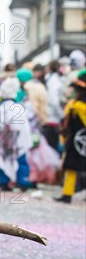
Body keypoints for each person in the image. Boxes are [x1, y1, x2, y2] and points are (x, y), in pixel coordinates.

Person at [0, 78, 33, 192]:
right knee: (21, 159)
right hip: (17, 140)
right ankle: (22, 181)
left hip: (2, 142)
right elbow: (24, 129)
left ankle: (4, 182)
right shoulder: (18, 109)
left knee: (3, 159)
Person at [55, 69, 86, 204]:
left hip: (79, 139)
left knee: (73, 167)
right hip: (75, 140)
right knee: (71, 167)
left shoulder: (78, 105)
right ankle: (67, 194)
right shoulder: (74, 104)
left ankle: (67, 194)